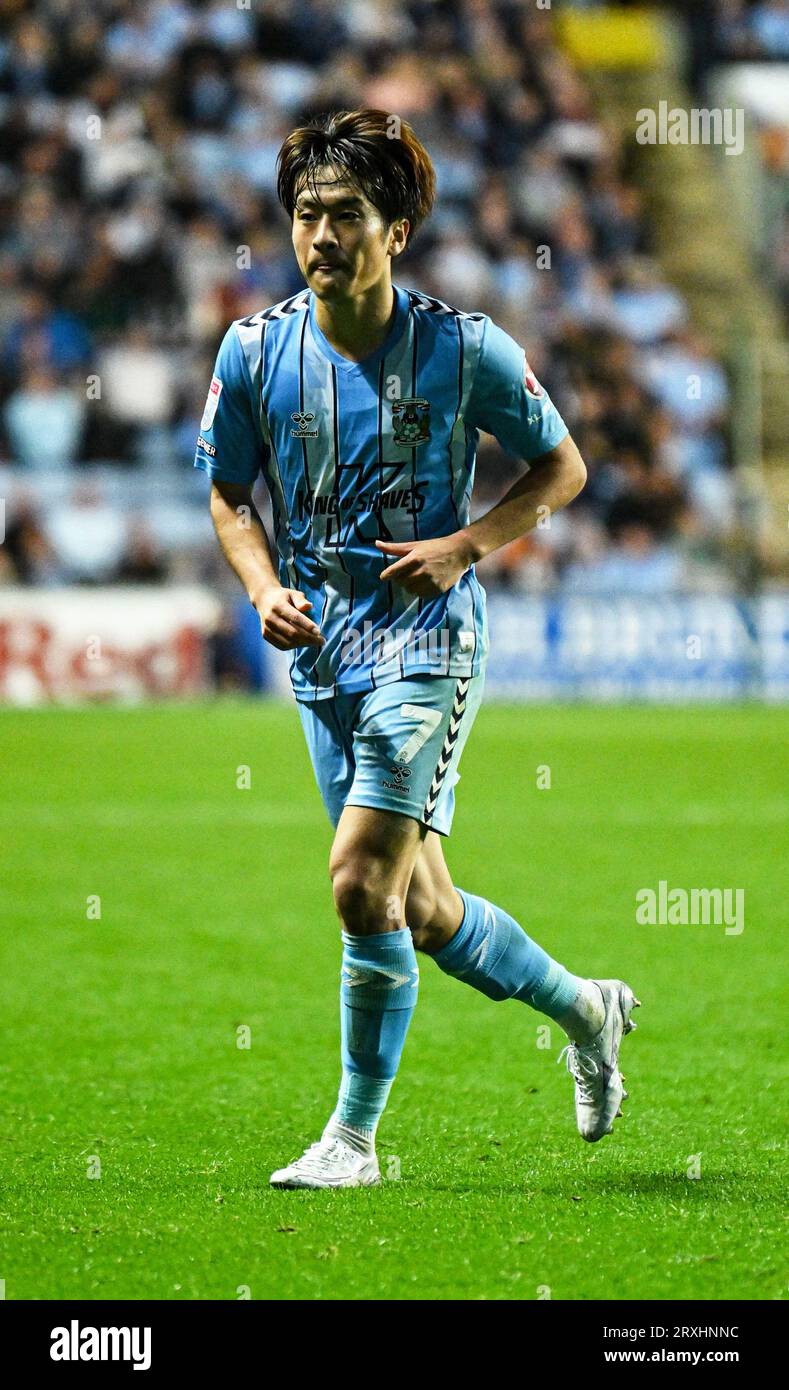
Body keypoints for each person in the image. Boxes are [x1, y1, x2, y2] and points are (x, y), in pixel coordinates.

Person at [194, 109, 640, 1189]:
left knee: (357, 884)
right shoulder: (256, 352)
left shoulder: (462, 349)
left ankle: (352, 1139)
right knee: (421, 909)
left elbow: (563, 468)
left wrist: (468, 544)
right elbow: (225, 490)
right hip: (320, 650)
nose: (321, 235)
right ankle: (588, 1009)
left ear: (397, 228)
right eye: (306, 214)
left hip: (427, 639)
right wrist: (261, 588)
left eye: (346, 214)